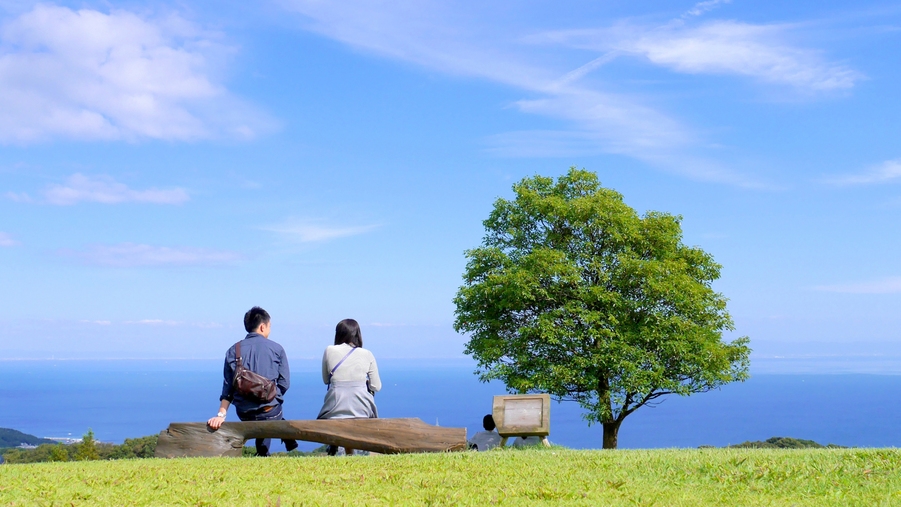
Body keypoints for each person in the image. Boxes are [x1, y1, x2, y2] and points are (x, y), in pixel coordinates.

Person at [207, 306, 297, 456]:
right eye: (269, 326)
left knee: (265, 415)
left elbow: (228, 389)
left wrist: (221, 415)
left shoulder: (232, 351)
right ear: (263, 327)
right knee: (272, 413)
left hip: (244, 412)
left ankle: (269, 448)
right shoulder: (277, 349)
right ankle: (268, 450)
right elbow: (285, 383)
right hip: (270, 411)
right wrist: (273, 396)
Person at [317, 318, 381, 456]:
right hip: (361, 409)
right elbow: (377, 386)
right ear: (358, 334)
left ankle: (335, 448)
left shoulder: (329, 350)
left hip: (335, 408)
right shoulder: (367, 354)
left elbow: (325, 380)